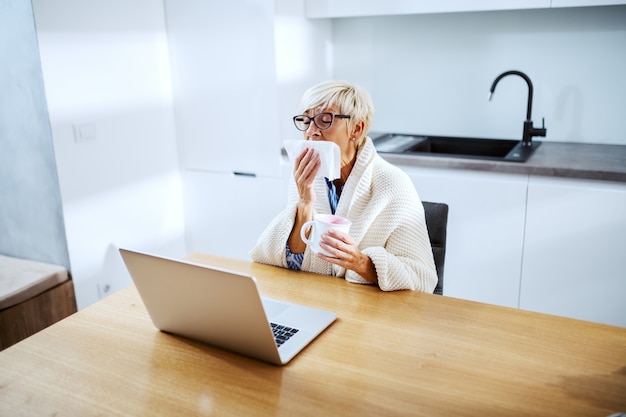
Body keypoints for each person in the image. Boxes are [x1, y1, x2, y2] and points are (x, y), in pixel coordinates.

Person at [250, 80, 437, 292]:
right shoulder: (306, 181)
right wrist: (305, 203)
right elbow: (291, 262)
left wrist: (361, 262)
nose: (312, 132)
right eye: (306, 120)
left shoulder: (393, 184)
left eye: (324, 120)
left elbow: (422, 279)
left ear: (356, 129)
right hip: (317, 301)